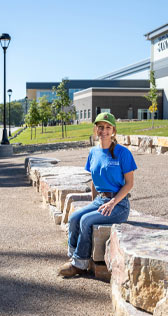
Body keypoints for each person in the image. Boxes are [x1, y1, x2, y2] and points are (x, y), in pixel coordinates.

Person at [58, 112, 137, 277]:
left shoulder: (123, 153)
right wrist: (95, 203)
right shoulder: (93, 152)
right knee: (74, 218)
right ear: (96, 130)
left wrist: (112, 202)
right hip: (101, 200)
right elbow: (94, 180)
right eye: (101, 127)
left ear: (113, 130)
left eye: (108, 127)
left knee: (86, 221)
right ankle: (73, 256)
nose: (104, 131)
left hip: (119, 205)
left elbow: (129, 184)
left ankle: (79, 264)